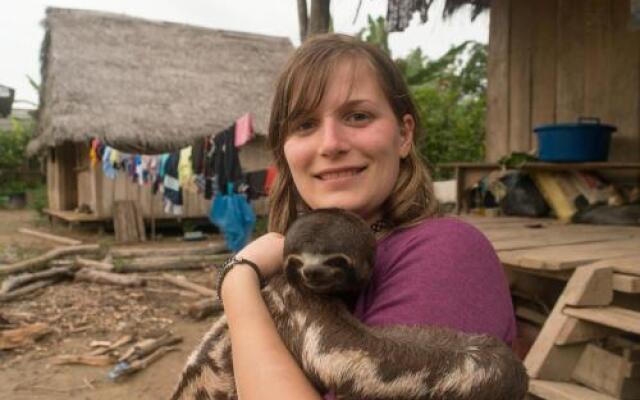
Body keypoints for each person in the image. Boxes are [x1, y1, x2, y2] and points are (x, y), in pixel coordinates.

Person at [218, 33, 516, 399]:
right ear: (285, 152)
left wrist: (236, 281)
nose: (331, 144)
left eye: (358, 116)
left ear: (404, 135)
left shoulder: (447, 251)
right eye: (305, 125)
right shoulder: (279, 264)